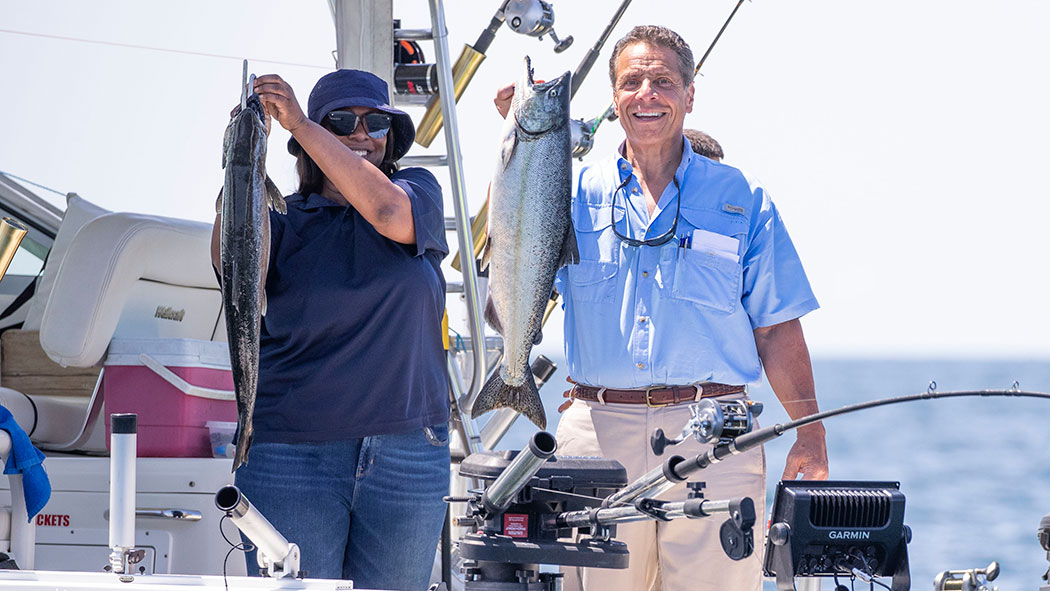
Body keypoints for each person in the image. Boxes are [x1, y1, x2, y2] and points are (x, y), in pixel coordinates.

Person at [494, 25, 828, 591]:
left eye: (663, 81)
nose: (647, 93)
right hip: (595, 434)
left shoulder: (744, 197)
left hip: (716, 436)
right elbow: (509, 248)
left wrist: (811, 439)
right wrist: (519, 149)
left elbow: (777, 330)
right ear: (614, 96)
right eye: (631, 81)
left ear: (690, 93)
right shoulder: (570, 190)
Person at [210, 69, 450, 589]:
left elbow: (386, 210)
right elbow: (232, 266)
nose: (361, 134)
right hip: (291, 454)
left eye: (376, 123)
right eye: (341, 121)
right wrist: (240, 157)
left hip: (408, 453)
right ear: (306, 146)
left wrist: (299, 120)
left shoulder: (417, 192)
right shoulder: (280, 219)